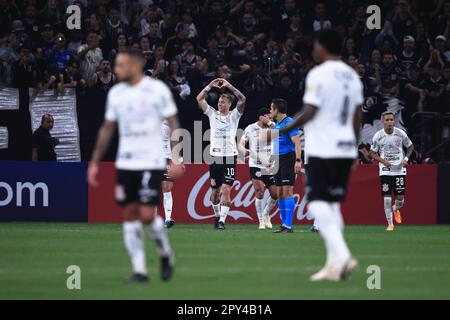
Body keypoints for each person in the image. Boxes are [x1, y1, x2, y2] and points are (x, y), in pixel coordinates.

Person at [87, 48, 183, 283]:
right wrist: (95, 161)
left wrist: (177, 157)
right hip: (126, 162)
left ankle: (165, 252)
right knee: (130, 214)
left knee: (147, 215)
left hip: (151, 160)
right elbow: (107, 128)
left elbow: (173, 123)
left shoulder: (157, 91)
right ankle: (140, 270)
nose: (117, 70)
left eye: (121, 65)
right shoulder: (117, 94)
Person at [275, 29, 364, 281]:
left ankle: (344, 255)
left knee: (316, 203)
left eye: (315, 45)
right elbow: (358, 115)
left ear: (323, 47)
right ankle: (334, 264)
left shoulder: (319, 74)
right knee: (332, 205)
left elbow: (310, 111)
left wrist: (283, 129)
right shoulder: (352, 76)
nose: (313, 50)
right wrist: (354, 147)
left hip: (324, 148)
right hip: (345, 147)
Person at [196, 78, 246, 230]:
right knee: (215, 193)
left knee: (226, 189)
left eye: (223, 101)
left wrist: (229, 85)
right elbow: (199, 98)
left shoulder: (235, 115)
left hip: (230, 157)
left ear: (229, 104)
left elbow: (242, 98)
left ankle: (222, 221)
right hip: (215, 158)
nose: (219, 103)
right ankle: (217, 215)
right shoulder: (212, 114)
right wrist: (210, 85)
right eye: (219, 101)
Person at [369, 111, 414, 231]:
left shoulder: (400, 134)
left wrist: (406, 158)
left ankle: (396, 209)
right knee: (387, 198)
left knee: (400, 200)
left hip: (399, 169)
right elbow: (372, 153)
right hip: (385, 170)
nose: (389, 122)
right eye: (387, 120)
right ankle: (390, 224)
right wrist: (382, 161)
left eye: (391, 120)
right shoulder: (378, 136)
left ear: (394, 121)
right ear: (383, 121)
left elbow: (410, 146)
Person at [239, 108, 278, 230]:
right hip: (255, 164)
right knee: (260, 192)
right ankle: (261, 221)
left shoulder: (272, 128)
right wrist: (244, 150)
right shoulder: (250, 128)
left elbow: (277, 132)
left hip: (270, 165)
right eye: (268, 117)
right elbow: (240, 143)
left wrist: (271, 123)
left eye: (271, 118)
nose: (270, 119)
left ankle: (266, 213)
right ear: (261, 117)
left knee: (275, 194)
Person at [269, 99, 302, 233]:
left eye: (271, 108)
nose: (270, 111)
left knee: (288, 191)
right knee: (280, 193)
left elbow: (297, 143)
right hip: (277, 159)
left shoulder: (289, 122)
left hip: (288, 158)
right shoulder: (277, 123)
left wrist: (298, 160)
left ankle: (288, 225)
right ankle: (284, 225)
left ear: (276, 109)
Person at [160, 119, 185, 229]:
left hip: (168, 158)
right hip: (152, 159)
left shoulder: (168, 121)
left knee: (166, 187)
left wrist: (179, 159)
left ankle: (168, 219)